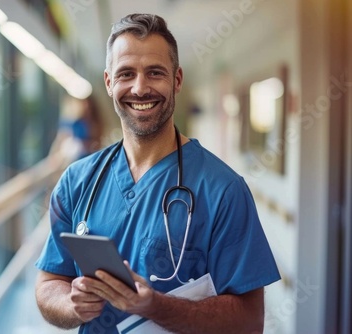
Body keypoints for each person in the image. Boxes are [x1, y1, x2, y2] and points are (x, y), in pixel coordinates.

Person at [35, 13, 280, 333]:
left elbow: (249, 321)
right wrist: (71, 304)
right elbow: (50, 282)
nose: (140, 88)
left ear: (176, 80)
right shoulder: (78, 181)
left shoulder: (223, 189)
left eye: (155, 73)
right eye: (126, 73)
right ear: (109, 83)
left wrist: (154, 306)